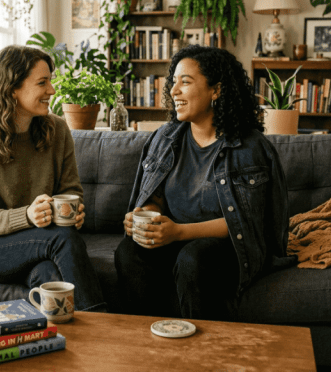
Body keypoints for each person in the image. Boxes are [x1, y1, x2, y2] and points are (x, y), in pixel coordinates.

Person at [115, 45, 292, 320]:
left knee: (194, 258)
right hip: (176, 239)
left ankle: (200, 355)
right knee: (130, 251)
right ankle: (143, 347)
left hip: (231, 247)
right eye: (174, 82)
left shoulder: (249, 147)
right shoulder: (165, 138)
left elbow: (247, 221)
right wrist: (146, 218)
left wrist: (178, 233)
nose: (174, 91)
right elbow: (156, 198)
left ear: (216, 90)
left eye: (185, 82)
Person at [0, 45, 106, 312]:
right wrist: (28, 216)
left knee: (47, 275)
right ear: (12, 88)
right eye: (42, 83)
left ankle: (64, 345)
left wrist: (75, 211)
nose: (52, 90)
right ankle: (103, 325)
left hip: (37, 240)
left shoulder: (57, 129)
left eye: (50, 81)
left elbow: (71, 189)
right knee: (63, 238)